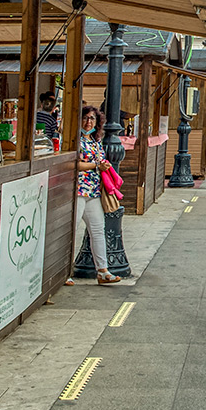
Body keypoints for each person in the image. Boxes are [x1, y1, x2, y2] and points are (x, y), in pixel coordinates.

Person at [65, 105, 120, 284]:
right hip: (78, 190)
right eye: (85, 118)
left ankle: (102, 271)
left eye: (92, 119)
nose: (88, 122)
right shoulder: (74, 140)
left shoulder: (95, 141)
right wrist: (96, 166)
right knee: (70, 231)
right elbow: (74, 164)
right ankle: (64, 272)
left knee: (97, 230)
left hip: (93, 191)